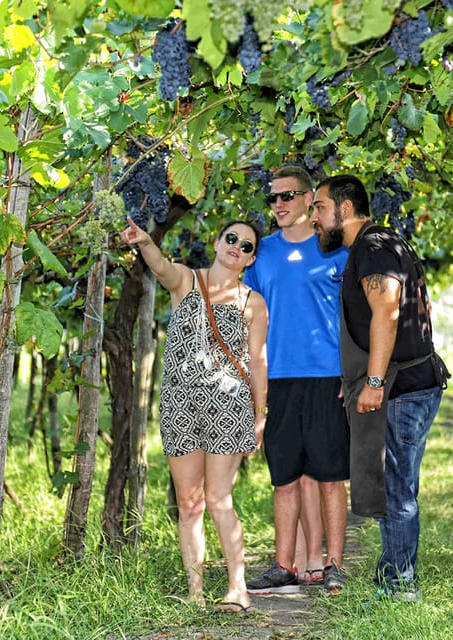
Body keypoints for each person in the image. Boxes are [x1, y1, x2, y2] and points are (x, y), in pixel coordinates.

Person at [121, 216, 268, 613]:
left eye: (247, 245)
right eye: (232, 238)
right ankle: (195, 592)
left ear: (250, 259)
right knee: (189, 503)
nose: (237, 246)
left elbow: (257, 362)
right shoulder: (188, 281)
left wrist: (260, 415)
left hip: (228, 407)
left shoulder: (253, 303)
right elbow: (162, 267)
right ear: (217, 241)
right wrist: (145, 243)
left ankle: (238, 588)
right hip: (180, 405)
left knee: (219, 499)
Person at [310, 175, 445, 601]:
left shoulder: (371, 247)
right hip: (404, 382)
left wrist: (372, 381)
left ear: (344, 209)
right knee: (393, 485)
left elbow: (386, 312)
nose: (313, 217)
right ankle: (394, 576)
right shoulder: (381, 244)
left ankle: (400, 586)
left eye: (318, 207)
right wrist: (357, 378)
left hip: (401, 386)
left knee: (396, 488)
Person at [243, 166, 351, 595]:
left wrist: (354, 373)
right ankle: (283, 564)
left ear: (310, 200)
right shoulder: (261, 254)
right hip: (278, 379)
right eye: (273, 198)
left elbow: (355, 319)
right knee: (284, 476)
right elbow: (247, 315)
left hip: (327, 378)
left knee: (329, 477)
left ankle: (334, 565)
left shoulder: (337, 251)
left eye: (288, 196)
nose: (279, 205)